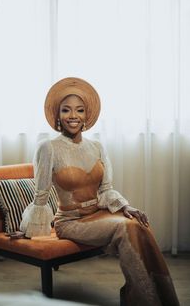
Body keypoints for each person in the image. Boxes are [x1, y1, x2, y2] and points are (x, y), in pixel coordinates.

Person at [20, 77, 179, 306]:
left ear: (87, 116)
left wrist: (126, 206)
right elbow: (40, 197)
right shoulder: (48, 148)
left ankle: (157, 298)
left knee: (137, 223)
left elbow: (106, 190)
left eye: (79, 110)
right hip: (71, 221)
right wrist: (28, 231)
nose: (73, 116)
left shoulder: (97, 147)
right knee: (126, 227)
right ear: (57, 115)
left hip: (100, 213)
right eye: (66, 110)